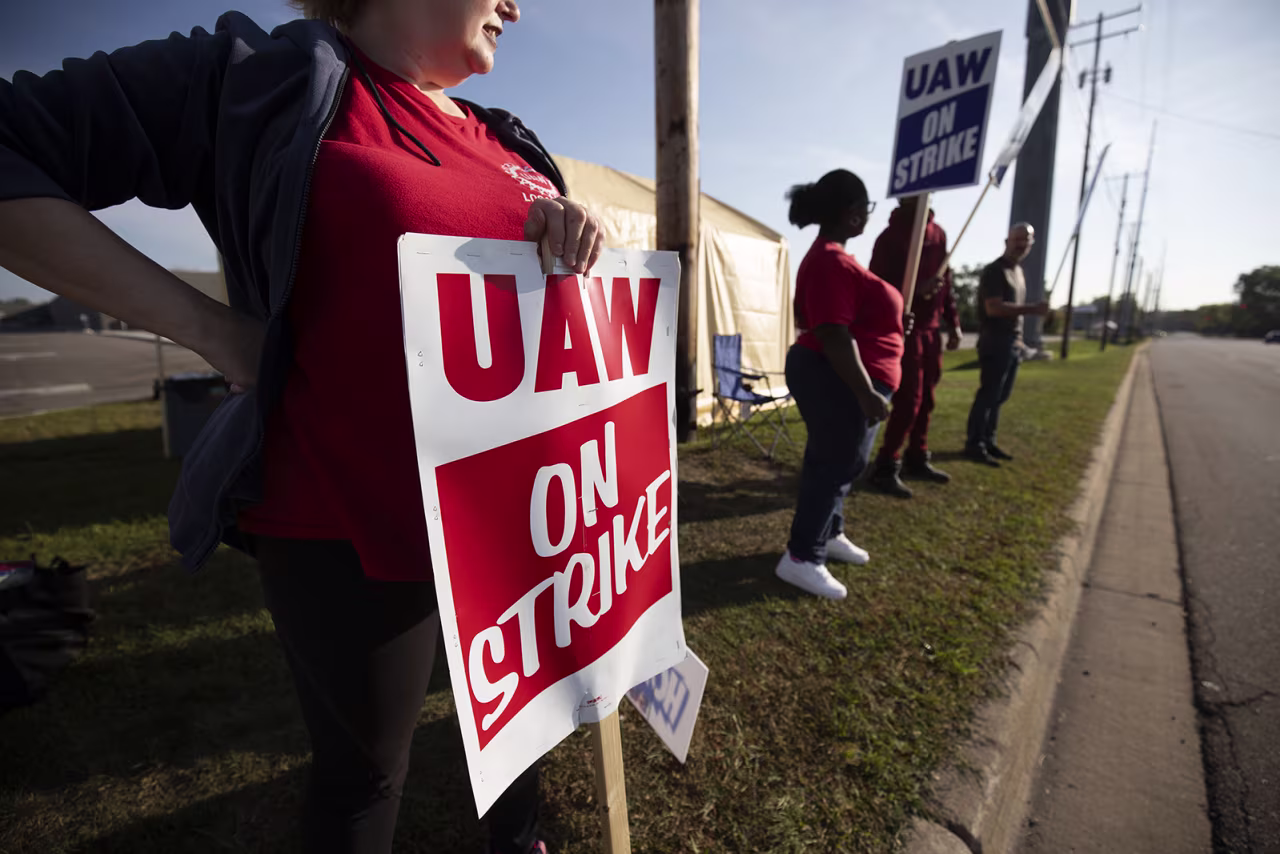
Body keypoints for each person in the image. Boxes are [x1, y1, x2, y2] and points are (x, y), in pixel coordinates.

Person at [0, 2, 605, 852]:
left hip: (514, 508)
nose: (517, 4)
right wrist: (209, 328)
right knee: (365, 776)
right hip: (343, 519)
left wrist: (567, 230)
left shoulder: (509, 137)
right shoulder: (263, 76)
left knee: (528, 714)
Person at [776, 170, 904, 600]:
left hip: (839, 372)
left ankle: (829, 533)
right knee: (834, 462)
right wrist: (866, 392)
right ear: (852, 215)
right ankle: (802, 557)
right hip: (836, 373)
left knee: (842, 461)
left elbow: (852, 320)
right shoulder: (830, 260)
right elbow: (832, 332)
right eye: (866, 210)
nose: (868, 217)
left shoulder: (833, 258)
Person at [866, 197, 962, 498]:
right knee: (908, 401)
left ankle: (917, 456)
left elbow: (945, 281)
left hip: (932, 331)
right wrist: (912, 291)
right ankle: (886, 464)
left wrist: (952, 321)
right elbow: (875, 287)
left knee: (927, 400)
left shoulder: (938, 234)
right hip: (903, 330)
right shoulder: (889, 237)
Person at [963, 223, 1048, 467]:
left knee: (1001, 396)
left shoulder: (1018, 272)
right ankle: (974, 443)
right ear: (1006, 241)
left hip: (1013, 342)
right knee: (988, 395)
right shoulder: (995, 271)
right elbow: (994, 307)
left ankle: (988, 440)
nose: (1021, 245)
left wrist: (1020, 338)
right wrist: (1032, 309)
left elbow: (1014, 314)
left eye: (1026, 241)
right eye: (1017, 239)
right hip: (994, 341)